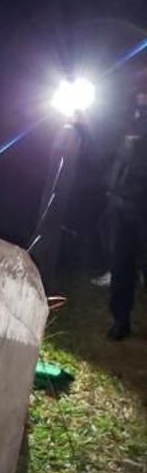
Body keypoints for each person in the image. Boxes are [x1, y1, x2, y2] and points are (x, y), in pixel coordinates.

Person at [106, 90, 147, 341]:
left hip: (143, 204)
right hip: (122, 205)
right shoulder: (126, 117)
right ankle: (120, 320)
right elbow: (110, 154)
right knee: (121, 266)